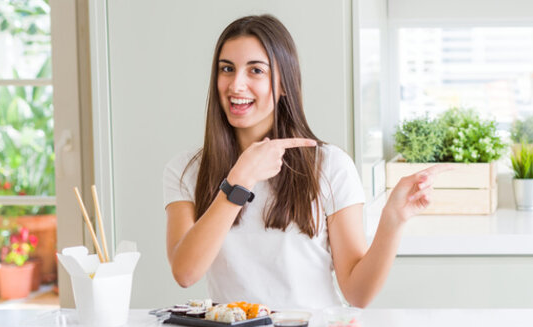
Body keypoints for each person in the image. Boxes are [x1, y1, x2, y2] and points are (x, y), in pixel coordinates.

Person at [162, 14, 449, 310]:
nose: (236, 85)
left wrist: (392, 221)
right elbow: (185, 272)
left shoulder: (330, 166)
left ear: (285, 84)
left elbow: (358, 294)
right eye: (227, 69)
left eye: (256, 71)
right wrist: (238, 181)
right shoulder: (186, 170)